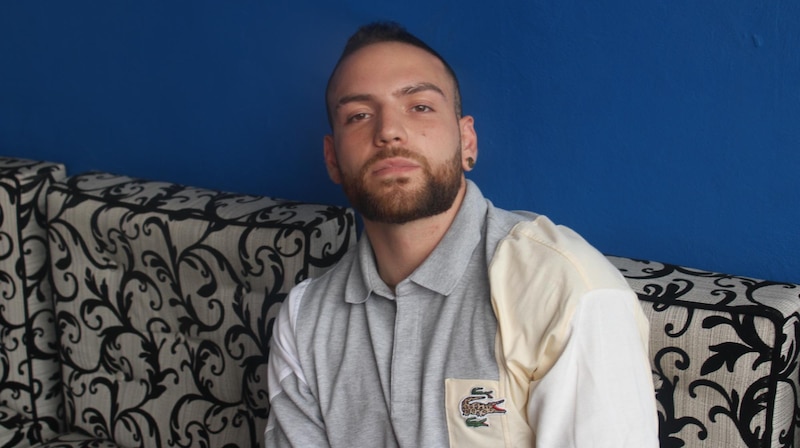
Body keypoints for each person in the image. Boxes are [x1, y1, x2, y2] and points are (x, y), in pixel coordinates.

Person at [265, 21, 659, 447]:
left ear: (467, 140)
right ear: (332, 159)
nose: (388, 131)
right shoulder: (305, 319)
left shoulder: (563, 289)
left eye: (419, 106)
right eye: (359, 115)